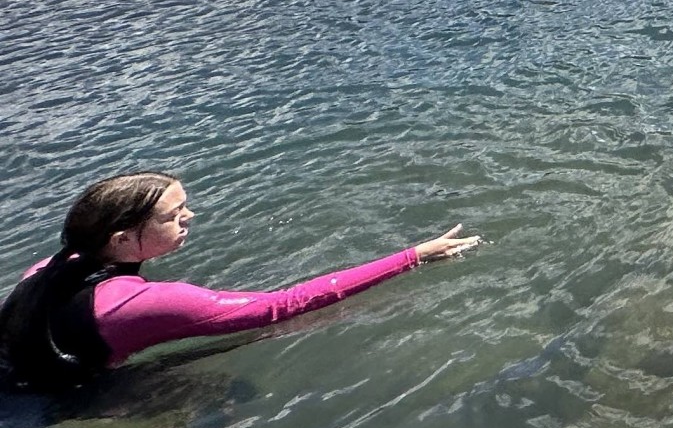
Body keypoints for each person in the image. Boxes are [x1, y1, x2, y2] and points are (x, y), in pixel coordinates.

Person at [1, 172, 480, 397]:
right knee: (222, 391)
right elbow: (285, 305)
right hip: (49, 398)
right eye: (174, 215)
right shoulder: (147, 304)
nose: (189, 217)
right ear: (124, 238)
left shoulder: (51, 266)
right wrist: (412, 256)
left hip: (16, 372)